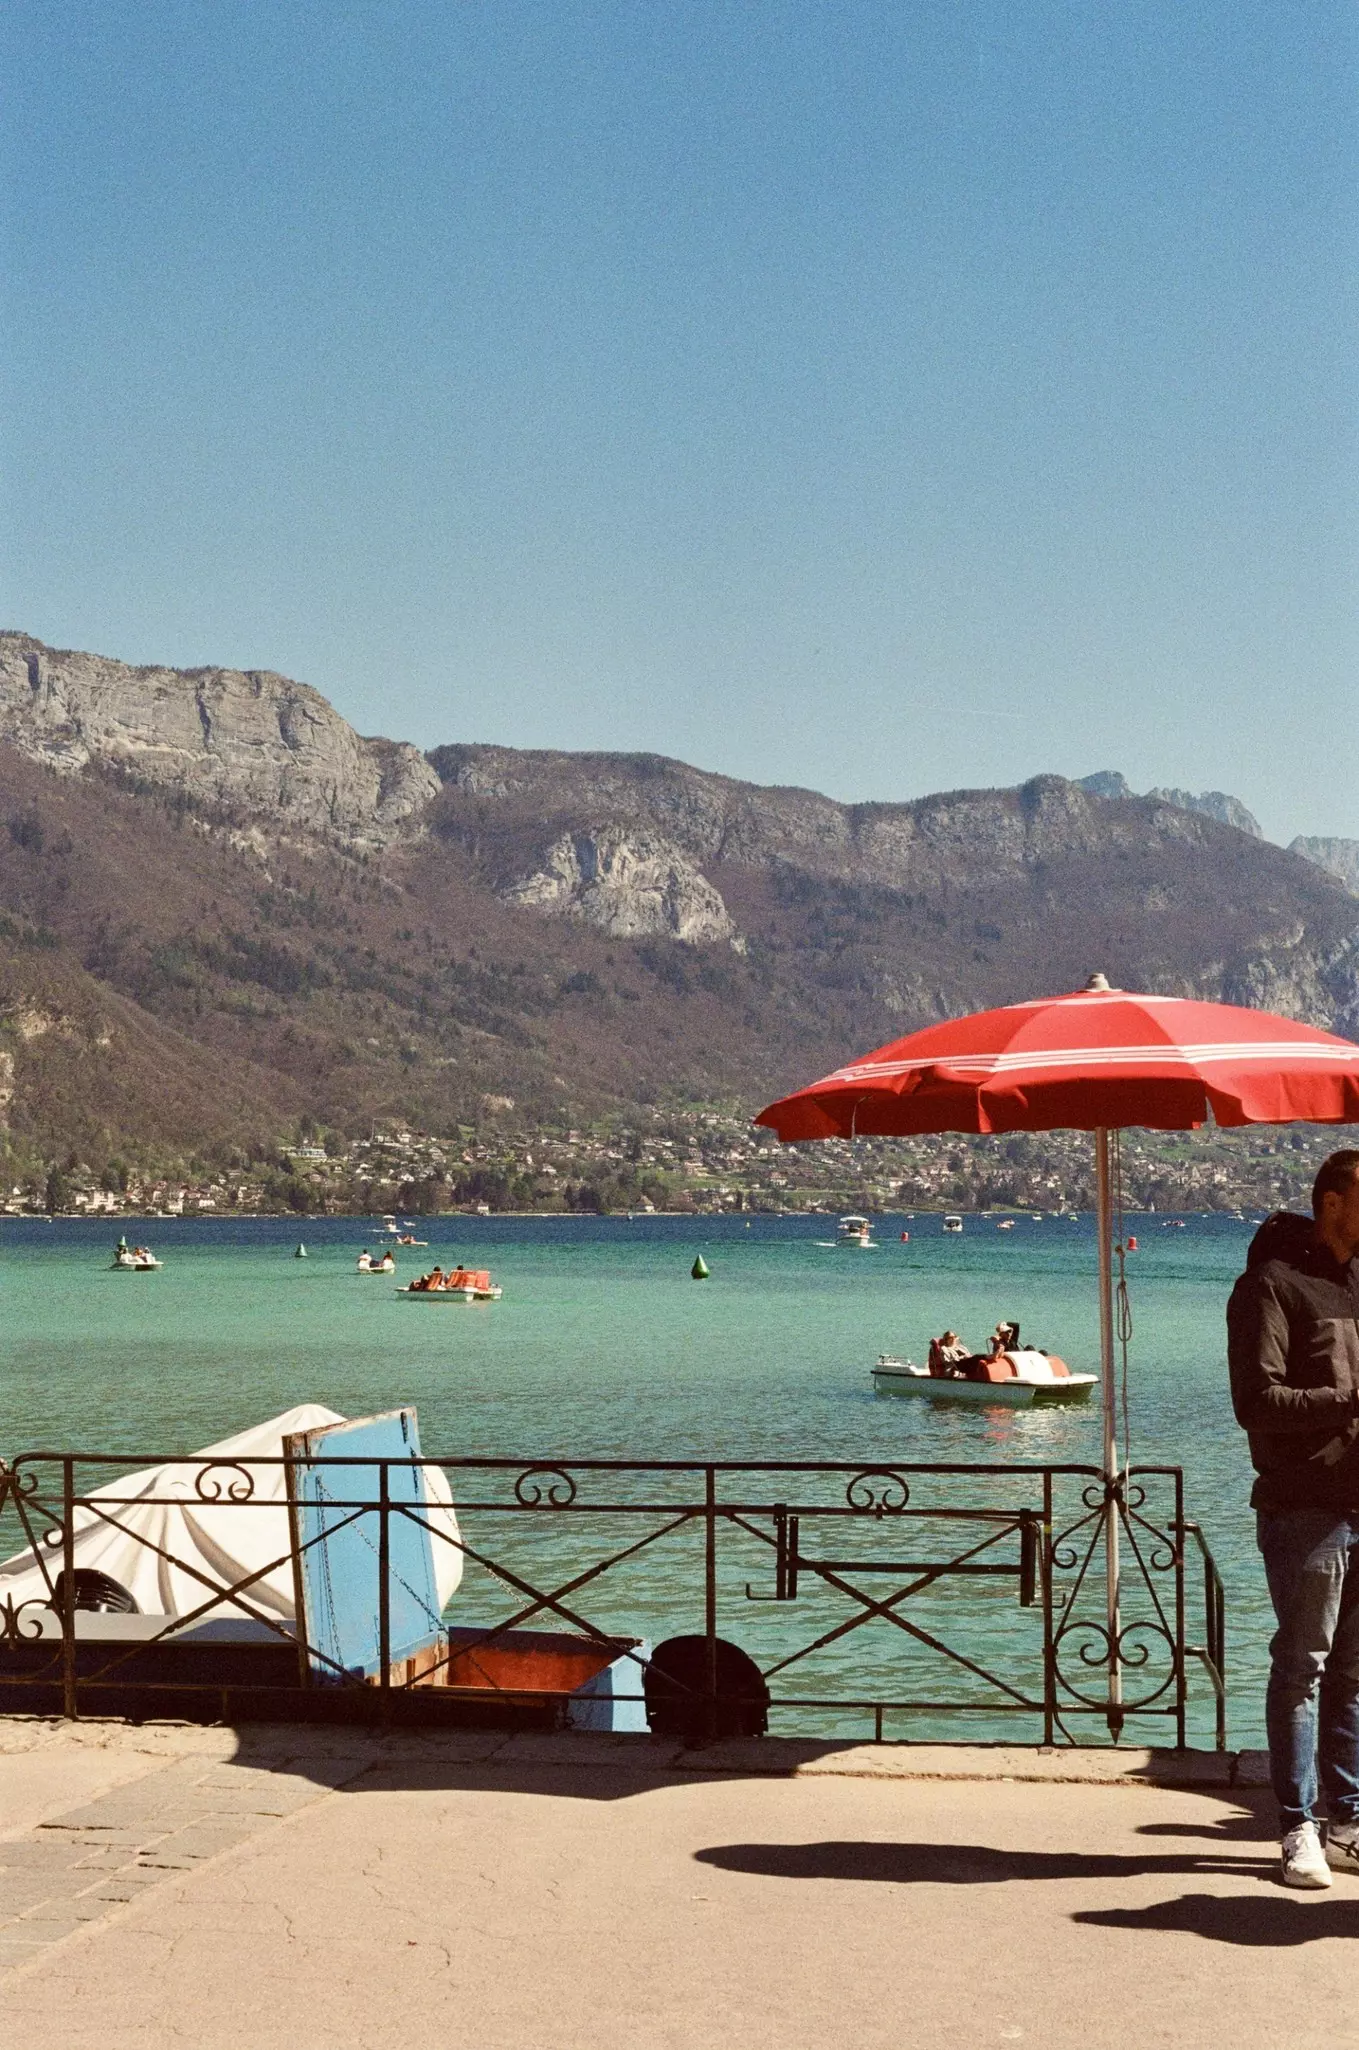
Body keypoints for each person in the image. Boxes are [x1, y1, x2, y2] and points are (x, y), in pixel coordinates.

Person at [1228, 1149, 1359, 1890]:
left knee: (1349, 1671)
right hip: (1303, 1507)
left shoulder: (1353, 1282)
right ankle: (1295, 1826)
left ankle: (1345, 1821)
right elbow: (1256, 1402)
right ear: (1331, 1203)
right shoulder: (1270, 1287)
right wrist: (1348, 1400)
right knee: (1302, 1668)